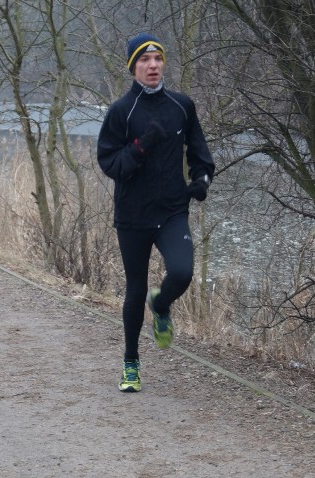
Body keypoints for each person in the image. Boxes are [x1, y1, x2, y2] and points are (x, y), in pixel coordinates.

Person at [97, 33, 215, 393]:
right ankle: (131, 365)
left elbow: (200, 155)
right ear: (133, 67)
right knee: (134, 291)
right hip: (133, 217)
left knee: (182, 272)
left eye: (157, 59)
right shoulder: (122, 111)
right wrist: (140, 146)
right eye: (144, 60)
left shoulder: (182, 105)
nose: (152, 66)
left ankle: (161, 305)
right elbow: (110, 163)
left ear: (164, 64)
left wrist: (201, 180)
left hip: (172, 211)